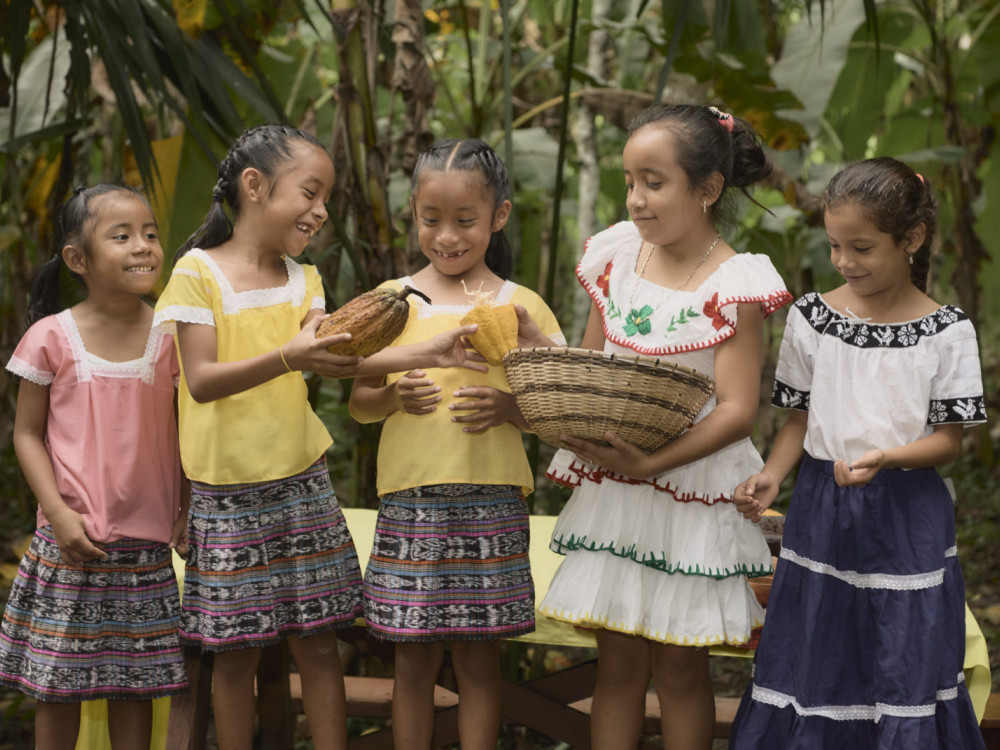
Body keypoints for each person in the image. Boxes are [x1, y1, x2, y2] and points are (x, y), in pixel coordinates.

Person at [152, 124, 483, 750]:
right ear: (255, 187)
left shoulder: (306, 280)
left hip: (303, 482)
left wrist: (432, 349)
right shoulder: (196, 273)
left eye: (325, 197)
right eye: (310, 192)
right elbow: (200, 381)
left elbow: (337, 358)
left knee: (320, 645)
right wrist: (290, 355)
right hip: (226, 497)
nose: (321, 210)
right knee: (236, 656)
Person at [538, 104, 792, 749]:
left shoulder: (734, 282)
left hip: (689, 489)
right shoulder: (619, 254)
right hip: (619, 489)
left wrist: (652, 463)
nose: (637, 199)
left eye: (655, 182)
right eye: (630, 181)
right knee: (618, 662)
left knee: (681, 665)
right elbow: (595, 367)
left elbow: (738, 409)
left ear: (707, 189)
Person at [729, 157, 987, 749]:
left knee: (904, 655)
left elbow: (948, 442)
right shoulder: (812, 319)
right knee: (818, 648)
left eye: (862, 247)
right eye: (835, 246)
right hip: (824, 506)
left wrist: (888, 459)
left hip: (908, 516)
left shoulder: (948, 332)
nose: (845, 261)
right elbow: (799, 421)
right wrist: (771, 475)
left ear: (912, 239)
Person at [348, 138, 565, 750]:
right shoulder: (391, 302)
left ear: (498, 216)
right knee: (412, 662)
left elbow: (557, 409)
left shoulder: (521, 306)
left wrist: (508, 407)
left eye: (465, 221)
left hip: (492, 504)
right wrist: (393, 398)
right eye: (430, 219)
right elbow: (359, 404)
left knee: (477, 662)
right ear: (412, 213)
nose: (447, 236)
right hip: (410, 504)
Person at [1, 184, 189, 750]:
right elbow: (26, 434)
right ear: (78, 259)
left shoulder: (173, 337)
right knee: (58, 691)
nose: (144, 247)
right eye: (123, 235)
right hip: (72, 545)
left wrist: (184, 509)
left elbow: (186, 435)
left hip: (146, 552)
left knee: (134, 690)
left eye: (151, 234)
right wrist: (57, 514)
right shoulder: (50, 337)